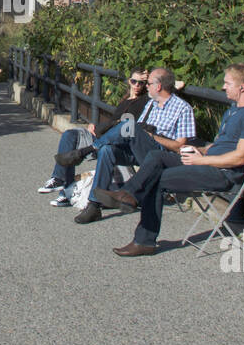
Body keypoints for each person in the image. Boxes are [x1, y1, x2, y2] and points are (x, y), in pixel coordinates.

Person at [95, 64, 244, 257]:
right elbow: (219, 146)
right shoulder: (233, 111)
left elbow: (240, 157)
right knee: (155, 156)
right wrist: (199, 150)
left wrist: (200, 161)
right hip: (206, 161)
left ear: (242, 87)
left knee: (157, 178)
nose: (223, 87)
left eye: (227, 83)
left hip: (222, 173)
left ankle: (143, 239)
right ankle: (128, 195)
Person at [73, 66, 195, 225]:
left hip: (160, 155)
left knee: (132, 126)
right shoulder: (151, 104)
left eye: (148, 84)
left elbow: (180, 147)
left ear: (158, 87)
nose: (146, 87)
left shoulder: (182, 108)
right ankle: (94, 205)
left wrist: (152, 137)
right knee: (108, 150)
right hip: (140, 149)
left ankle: (88, 150)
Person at [39, 70, 149, 206]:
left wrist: (150, 79)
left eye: (141, 83)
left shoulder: (145, 100)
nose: (137, 85)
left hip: (116, 141)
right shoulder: (125, 100)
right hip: (101, 134)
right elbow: (112, 122)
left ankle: (65, 193)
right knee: (69, 135)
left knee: (86, 146)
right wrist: (96, 126)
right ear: (129, 81)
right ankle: (60, 181)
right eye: (134, 81)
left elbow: (173, 86)